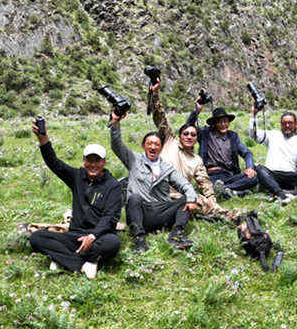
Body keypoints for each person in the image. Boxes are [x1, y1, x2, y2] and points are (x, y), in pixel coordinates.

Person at [28, 119, 121, 279]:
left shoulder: (113, 185)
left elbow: (110, 218)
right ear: (84, 161)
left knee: (113, 242)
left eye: (97, 161)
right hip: (74, 235)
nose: (93, 165)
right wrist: (43, 140)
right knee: (37, 237)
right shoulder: (77, 176)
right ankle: (83, 263)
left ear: (104, 162)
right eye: (89, 160)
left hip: (98, 236)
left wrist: (92, 237)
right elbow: (54, 164)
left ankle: (62, 259)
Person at [148, 81, 240, 222]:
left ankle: (230, 217)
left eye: (193, 135)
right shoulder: (169, 141)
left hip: (178, 197)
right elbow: (160, 117)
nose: (189, 136)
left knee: (197, 199)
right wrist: (155, 93)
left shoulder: (197, 160)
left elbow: (205, 183)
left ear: (197, 138)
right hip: (157, 191)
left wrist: (212, 201)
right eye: (186, 134)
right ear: (179, 135)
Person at [109, 110, 198, 252]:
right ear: (143, 145)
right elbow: (116, 145)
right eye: (149, 143)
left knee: (186, 198)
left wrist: (191, 199)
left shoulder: (166, 168)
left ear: (161, 147)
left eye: (157, 144)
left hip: (162, 211)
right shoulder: (134, 160)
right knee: (134, 198)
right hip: (141, 213)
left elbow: (184, 184)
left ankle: (176, 235)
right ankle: (139, 240)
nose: (153, 147)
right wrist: (115, 122)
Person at [187, 99, 258, 199]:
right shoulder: (205, 133)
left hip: (229, 175)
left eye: (225, 121)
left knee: (253, 178)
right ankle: (233, 190)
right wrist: (196, 111)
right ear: (214, 124)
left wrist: (249, 167)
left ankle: (225, 190)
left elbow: (247, 153)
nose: (223, 124)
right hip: (211, 175)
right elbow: (188, 128)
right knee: (207, 184)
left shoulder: (233, 137)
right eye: (219, 122)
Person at [250, 106, 297, 203]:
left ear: (295, 125)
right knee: (260, 169)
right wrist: (253, 116)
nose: (287, 125)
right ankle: (281, 194)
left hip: (291, 176)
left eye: (290, 123)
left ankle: (296, 192)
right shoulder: (272, 135)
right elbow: (254, 135)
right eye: (284, 123)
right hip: (273, 174)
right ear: (281, 125)